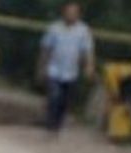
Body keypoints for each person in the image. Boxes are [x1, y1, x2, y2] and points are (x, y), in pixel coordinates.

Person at [38, 1, 95, 133]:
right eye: (68, 11)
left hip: (71, 72)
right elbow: (46, 48)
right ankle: (50, 125)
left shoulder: (83, 31)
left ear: (78, 14)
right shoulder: (54, 28)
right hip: (54, 70)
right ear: (63, 12)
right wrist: (42, 67)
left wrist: (89, 67)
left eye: (74, 12)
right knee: (54, 96)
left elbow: (87, 51)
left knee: (64, 102)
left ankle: (57, 124)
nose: (71, 14)